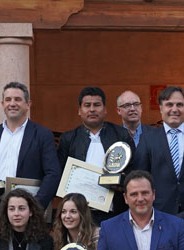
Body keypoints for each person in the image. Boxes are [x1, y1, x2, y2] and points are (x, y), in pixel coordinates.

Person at [133, 86, 184, 216]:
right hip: (159, 210)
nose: (174, 109)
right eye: (169, 105)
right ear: (161, 108)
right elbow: (140, 176)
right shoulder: (148, 138)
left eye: (180, 105)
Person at [57, 86, 135, 219]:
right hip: (79, 211)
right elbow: (60, 174)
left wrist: (120, 183)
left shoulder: (121, 135)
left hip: (115, 210)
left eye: (97, 105)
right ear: (79, 111)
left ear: (105, 110)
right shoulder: (68, 139)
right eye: (87, 105)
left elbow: (134, 170)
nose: (92, 109)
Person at [0, 82, 61, 210]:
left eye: (18, 99)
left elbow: (53, 173)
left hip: (29, 210)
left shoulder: (42, 134)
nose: (12, 104)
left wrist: (36, 206)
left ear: (28, 104)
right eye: (8, 100)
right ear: (2, 104)